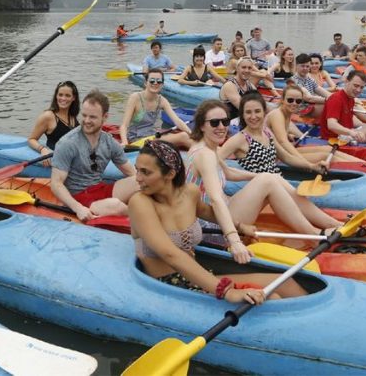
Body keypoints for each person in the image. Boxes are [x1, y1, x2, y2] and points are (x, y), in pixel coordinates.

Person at [128, 140, 306, 302]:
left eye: (145, 172)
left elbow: (209, 212)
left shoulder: (190, 192)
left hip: (200, 274)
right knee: (273, 297)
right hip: (170, 285)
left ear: (170, 174)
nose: (137, 178)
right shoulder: (140, 203)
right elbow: (170, 254)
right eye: (137, 170)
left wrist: (239, 226)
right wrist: (227, 292)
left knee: (286, 284)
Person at [185, 101, 342, 251]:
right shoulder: (206, 155)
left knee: (268, 178)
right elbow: (215, 199)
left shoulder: (209, 148)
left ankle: (329, 223)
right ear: (201, 126)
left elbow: (228, 172)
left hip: (221, 214)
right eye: (214, 123)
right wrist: (233, 238)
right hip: (213, 228)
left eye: (225, 121)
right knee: (267, 180)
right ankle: (315, 235)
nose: (221, 127)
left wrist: (258, 176)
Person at [49, 90, 137, 221]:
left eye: (92, 117)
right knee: (116, 205)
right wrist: (78, 208)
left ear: (105, 117)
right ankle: (146, 221)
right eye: (84, 115)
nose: (86, 121)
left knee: (142, 182)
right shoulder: (67, 143)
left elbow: (132, 173)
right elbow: (56, 184)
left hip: (99, 189)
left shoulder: (109, 141)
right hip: (78, 197)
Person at [264, 85, 364, 165]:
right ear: (282, 99)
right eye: (290, 100)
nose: (294, 103)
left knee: (328, 149)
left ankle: (365, 164)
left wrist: (289, 136)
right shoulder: (277, 114)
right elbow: (283, 142)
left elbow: (278, 136)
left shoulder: (286, 114)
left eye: (298, 101)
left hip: (282, 152)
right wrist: (302, 161)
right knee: (324, 156)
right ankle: (364, 167)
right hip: (276, 157)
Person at [120, 68, 193, 149]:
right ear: (145, 83)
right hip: (136, 139)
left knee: (186, 135)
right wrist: (124, 142)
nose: (155, 83)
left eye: (159, 81)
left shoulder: (162, 101)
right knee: (182, 136)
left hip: (151, 136)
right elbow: (124, 125)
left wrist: (191, 133)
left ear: (162, 84)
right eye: (152, 81)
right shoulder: (135, 98)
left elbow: (177, 121)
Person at [27, 81, 80, 166]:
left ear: (73, 98)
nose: (63, 98)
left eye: (67, 95)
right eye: (60, 95)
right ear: (56, 96)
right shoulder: (48, 116)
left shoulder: (72, 116)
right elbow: (31, 139)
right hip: (56, 159)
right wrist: (43, 150)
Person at [288, 53, 330, 118]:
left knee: (333, 102)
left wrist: (335, 97)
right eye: (302, 66)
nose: (305, 68)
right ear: (296, 66)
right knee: (327, 105)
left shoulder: (309, 79)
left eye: (307, 66)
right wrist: (329, 100)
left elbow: (321, 91)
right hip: (299, 110)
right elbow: (309, 98)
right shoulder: (293, 81)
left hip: (309, 107)